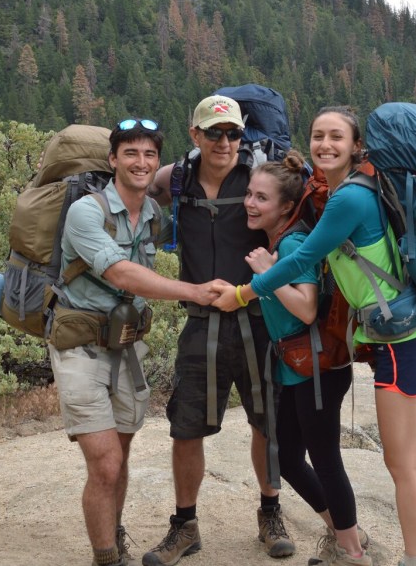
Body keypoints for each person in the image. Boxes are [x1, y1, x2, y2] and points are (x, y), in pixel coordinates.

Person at [219, 107, 416, 566]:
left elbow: (301, 261)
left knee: (404, 466)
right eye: (317, 135)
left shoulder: (348, 200)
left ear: (357, 144)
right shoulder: (363, 188)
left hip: (401, 345)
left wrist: (243, 292)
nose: (324, 144)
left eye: (335, 136)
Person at [51, 117, 229, 566]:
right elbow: (119, 272)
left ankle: (113, 534)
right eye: (130, 153)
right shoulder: (86, 212)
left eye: (149, 154)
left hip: (125, 346)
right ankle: (107, 558)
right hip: (79, 347)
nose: (141, 162)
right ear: (113, 160)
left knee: (122, 456)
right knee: (106, 463)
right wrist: (193, 291)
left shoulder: (152, 216)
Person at [144, 95, 293, 565]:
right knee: (185, 428)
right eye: (215, 133)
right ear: (196, 135)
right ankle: (184, 526)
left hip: (257, 318)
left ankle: (270, 513)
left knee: (266, 422)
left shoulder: (257, 177)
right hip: (200, 321)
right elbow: (134, 191)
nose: (225, 142)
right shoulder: (178, 178)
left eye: (233, 133)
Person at [229, 151, 372, 565]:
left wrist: (264, 276)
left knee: (326, 460)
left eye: (262, 198)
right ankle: (344, 533)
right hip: (297, 367)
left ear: (287, 207)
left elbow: (307, 308)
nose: (251, 204)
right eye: (250, 195)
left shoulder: (292, 242)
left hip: (318, 370)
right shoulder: (280, 239)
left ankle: (351, 552)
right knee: (289, 458)